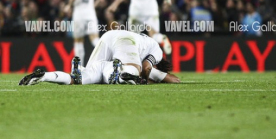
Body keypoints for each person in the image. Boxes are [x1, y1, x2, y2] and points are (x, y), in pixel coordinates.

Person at [19, 57, 180, 85]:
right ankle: (125, 78)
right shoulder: (147, 65)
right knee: (117, 78)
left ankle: (45, 75)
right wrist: (153, 78)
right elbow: (174, 79)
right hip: (114, 67)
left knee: (75, 79)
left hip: (98, 64)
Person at [64, 0, 105, 66]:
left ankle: (79, 68)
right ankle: (106, 58)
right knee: (95, 39)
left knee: (78, 41)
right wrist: (93, 6)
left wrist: (68, 6)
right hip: (90, 14)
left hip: (79, 14)